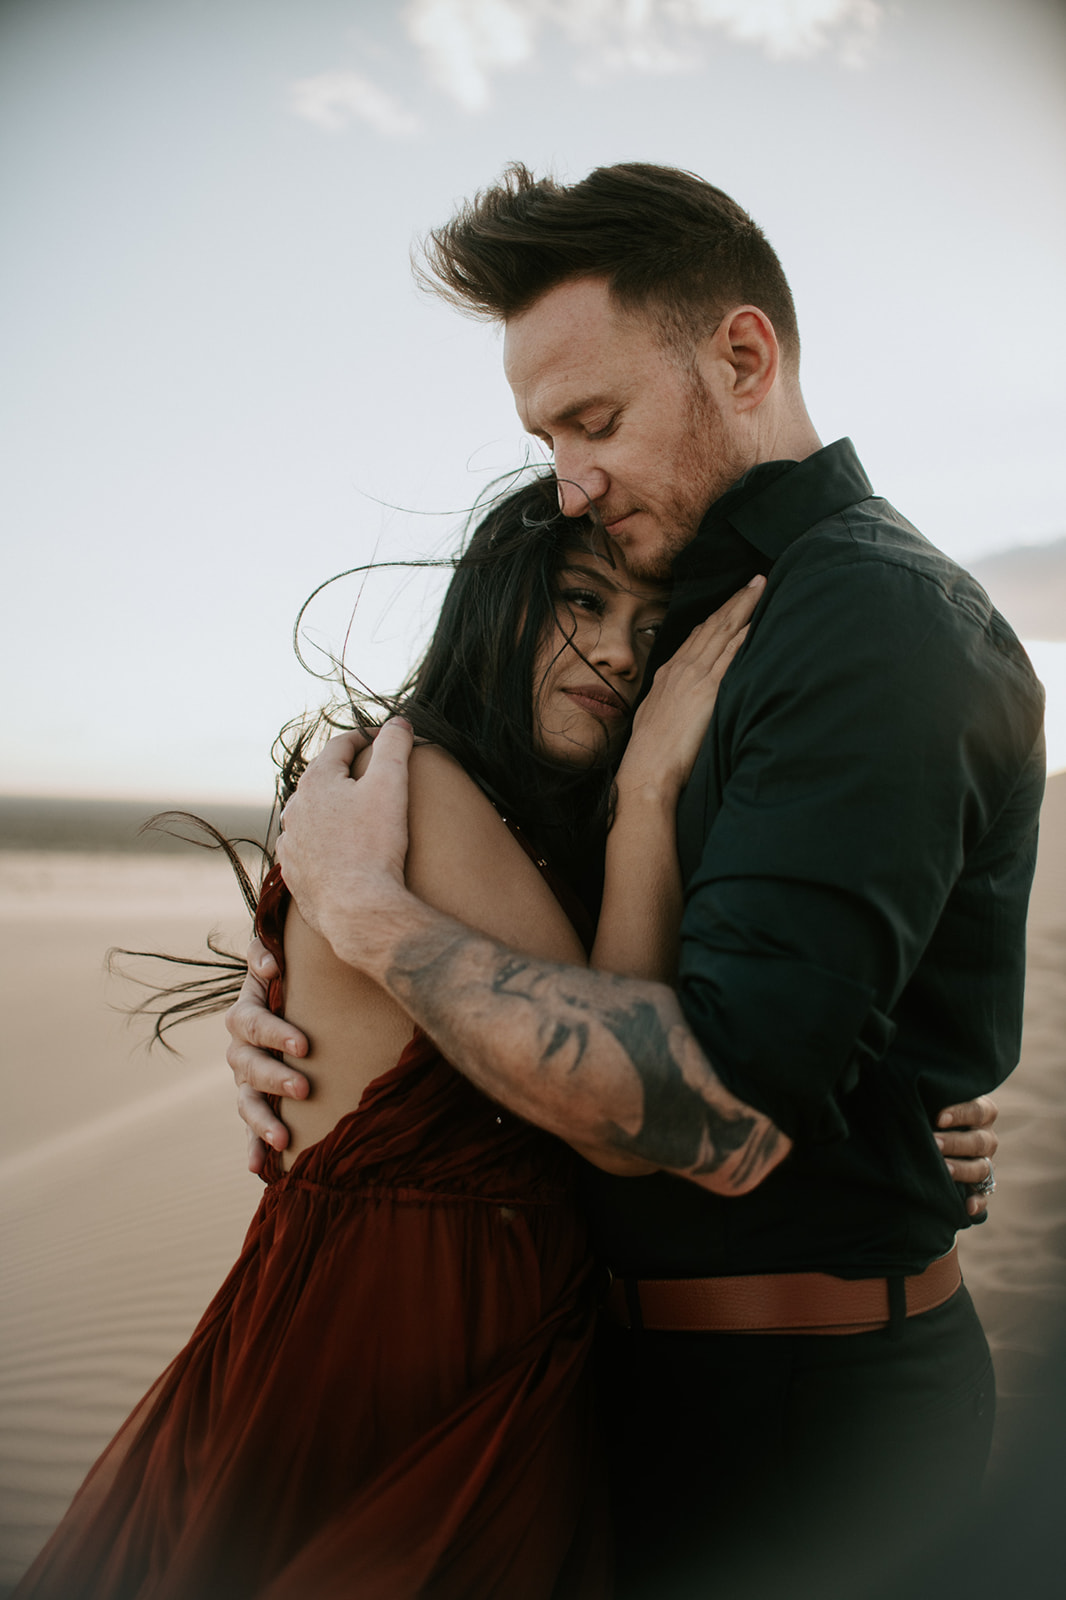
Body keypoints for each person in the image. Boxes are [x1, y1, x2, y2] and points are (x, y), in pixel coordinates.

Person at [229, 163, 1042, 1599]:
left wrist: (372, 921)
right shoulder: (701, 620)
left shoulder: (866, 625)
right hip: (626, 1382)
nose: (570, 479)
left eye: (592, 420)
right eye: (544, 436)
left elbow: (711, 1101)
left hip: (804, 1417)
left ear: (743, 355)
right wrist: (308, 1009)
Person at [16, 480, 771, 1600]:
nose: (621, 653)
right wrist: (654, 784)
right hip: (383, 1354)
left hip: (494, 1347)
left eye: (652, 633)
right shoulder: (419, 787)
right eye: (582, 600)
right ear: (496, 603)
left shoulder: (531, 833)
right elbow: (622, 1100)